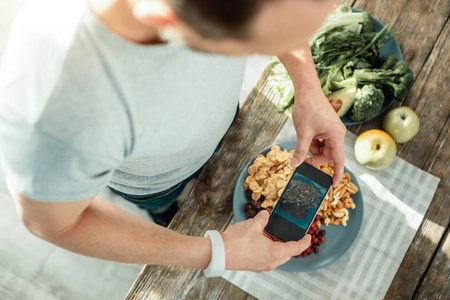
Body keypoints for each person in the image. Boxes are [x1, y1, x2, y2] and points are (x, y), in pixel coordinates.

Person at [0, 0, 345, 274]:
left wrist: (309, 87)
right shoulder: (59, 118)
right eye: (250, 47)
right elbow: (53, 224)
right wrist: (214, 252)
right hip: (157, 181)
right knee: (165, 205)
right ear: (165, 19)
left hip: (222, 121)